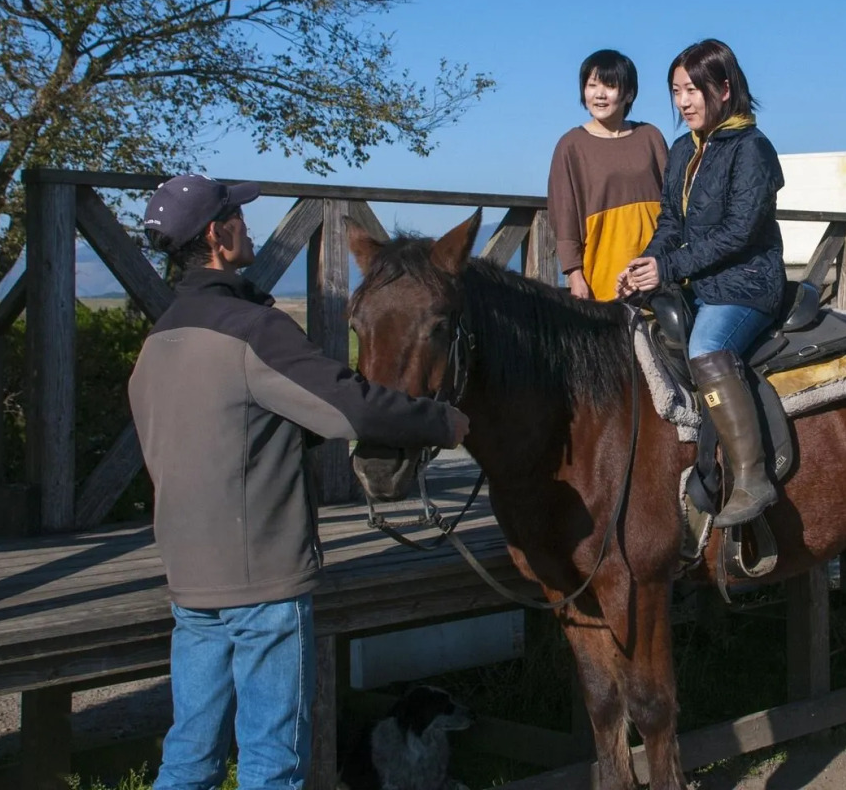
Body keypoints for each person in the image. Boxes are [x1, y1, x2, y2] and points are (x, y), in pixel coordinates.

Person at [129, 175, 470, 790]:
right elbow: (352, 407)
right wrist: (442, 421)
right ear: (217, 235)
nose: (247, 225)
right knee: (274, 762)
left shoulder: (159, 339)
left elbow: (233, 429)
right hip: (262, 578)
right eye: (237, 215)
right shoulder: (253, 330)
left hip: (188, 579)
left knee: (189, 757)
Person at [618, 39, 785, 527]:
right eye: (676, 90)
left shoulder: (753, 149)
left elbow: (741, 231)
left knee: (706, 347)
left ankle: (753, 478)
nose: (684, 101)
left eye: (694, 89)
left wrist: (669, 270)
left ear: (724, 88)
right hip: (698, 279)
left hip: (747, 282)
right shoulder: (681, 151)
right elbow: (672, 222)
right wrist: (645, 264)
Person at [547, 49, 669, 300]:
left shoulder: (651, 137)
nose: (599, 94)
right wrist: (574, 275)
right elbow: (564, 216)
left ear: (629, 94)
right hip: (601, 274)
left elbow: (674, 203)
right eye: (592, 85)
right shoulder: (571, 145)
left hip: (655, 269)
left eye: (610, 85)